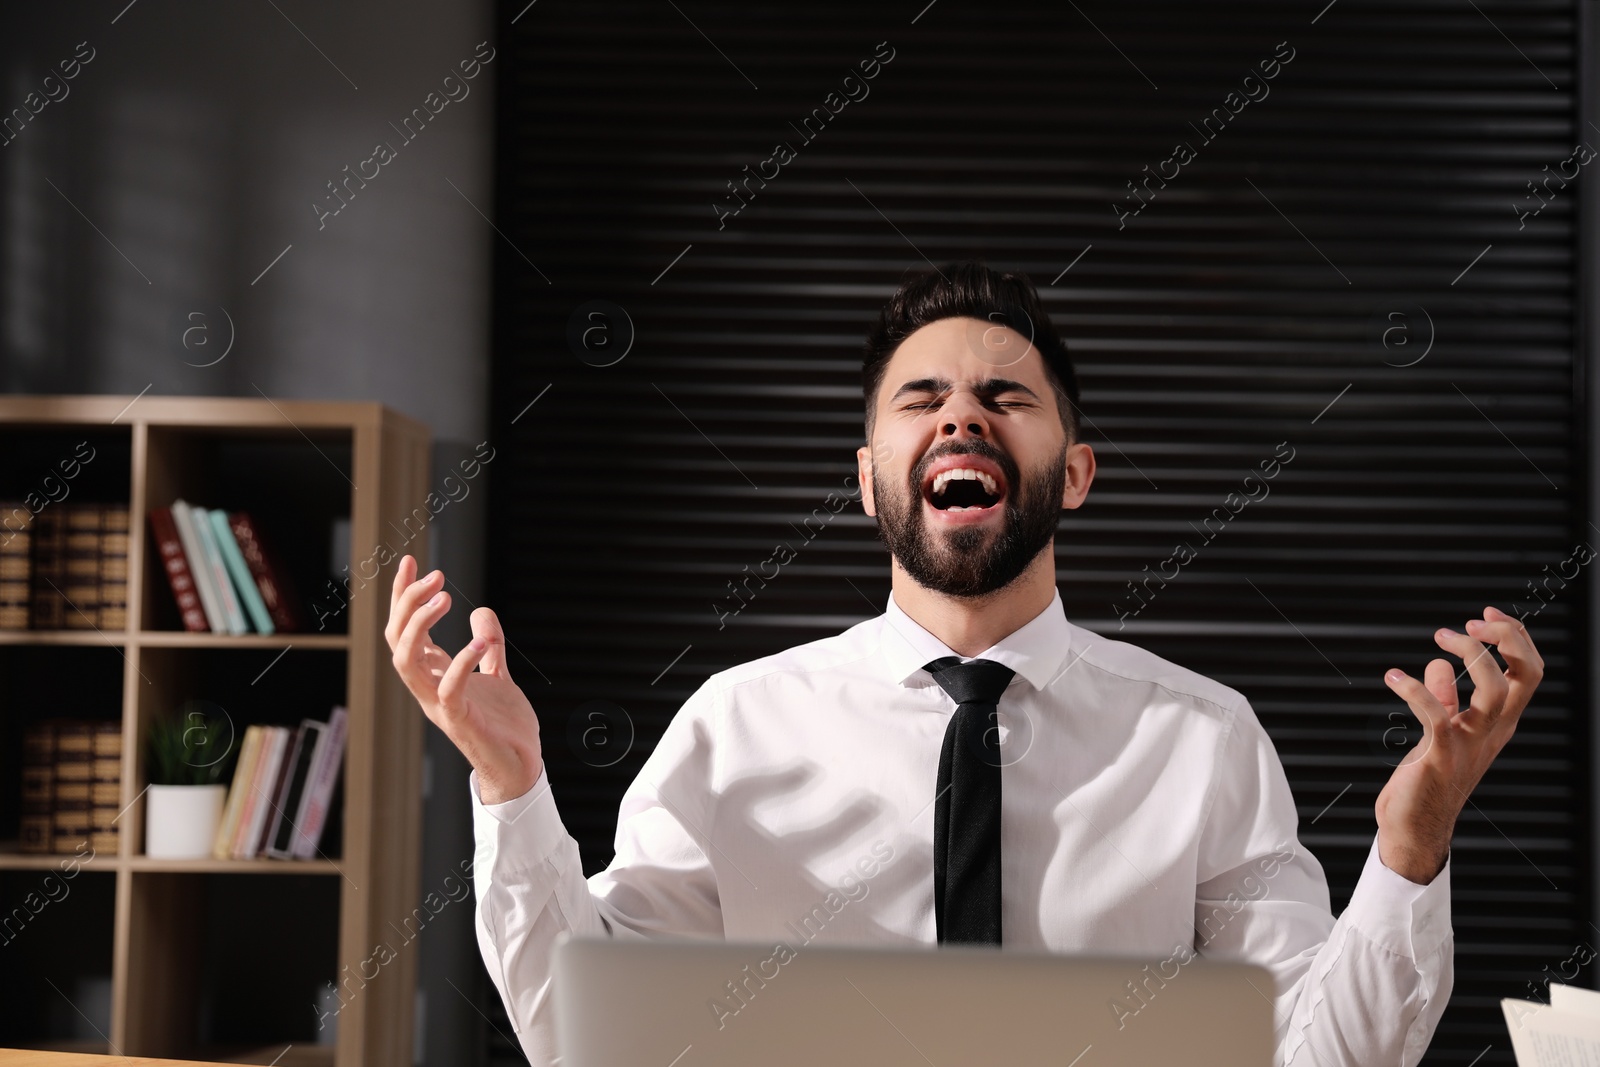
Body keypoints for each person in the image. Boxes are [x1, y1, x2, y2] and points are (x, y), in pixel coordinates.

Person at [386, 262, 1543, 1066]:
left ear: (1076, 472)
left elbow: (1320, 1054)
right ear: (867, 474)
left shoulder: (1201, 738)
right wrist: (511, 783)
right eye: (921, 397)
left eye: (1004, 397)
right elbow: (586, 1037)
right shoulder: (735, 728)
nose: (960, 419)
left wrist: (1412, 838)